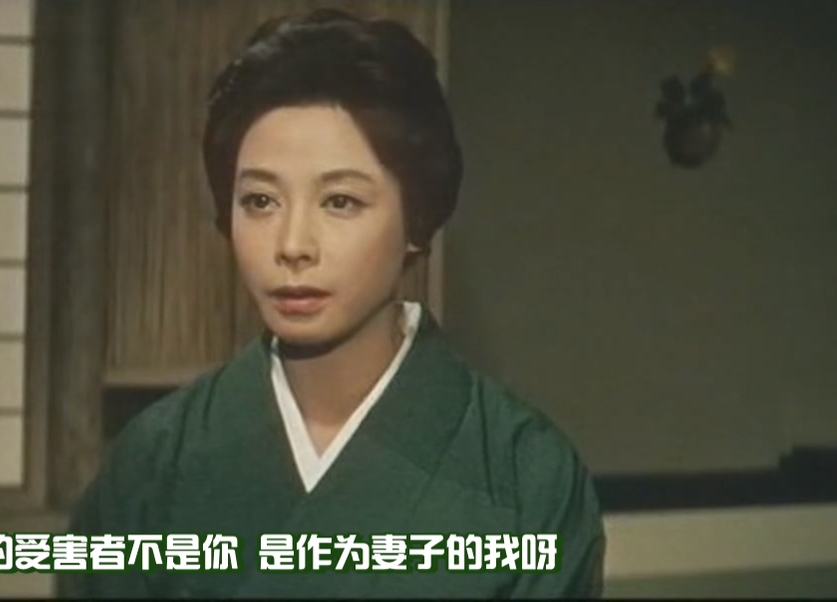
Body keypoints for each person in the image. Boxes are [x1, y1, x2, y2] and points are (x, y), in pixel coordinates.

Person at [59, 9, 605, 599]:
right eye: (260, 201)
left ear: (417, 217)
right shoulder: (151, 464)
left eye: (340, 201)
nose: (292, 245)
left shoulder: (527, 475)